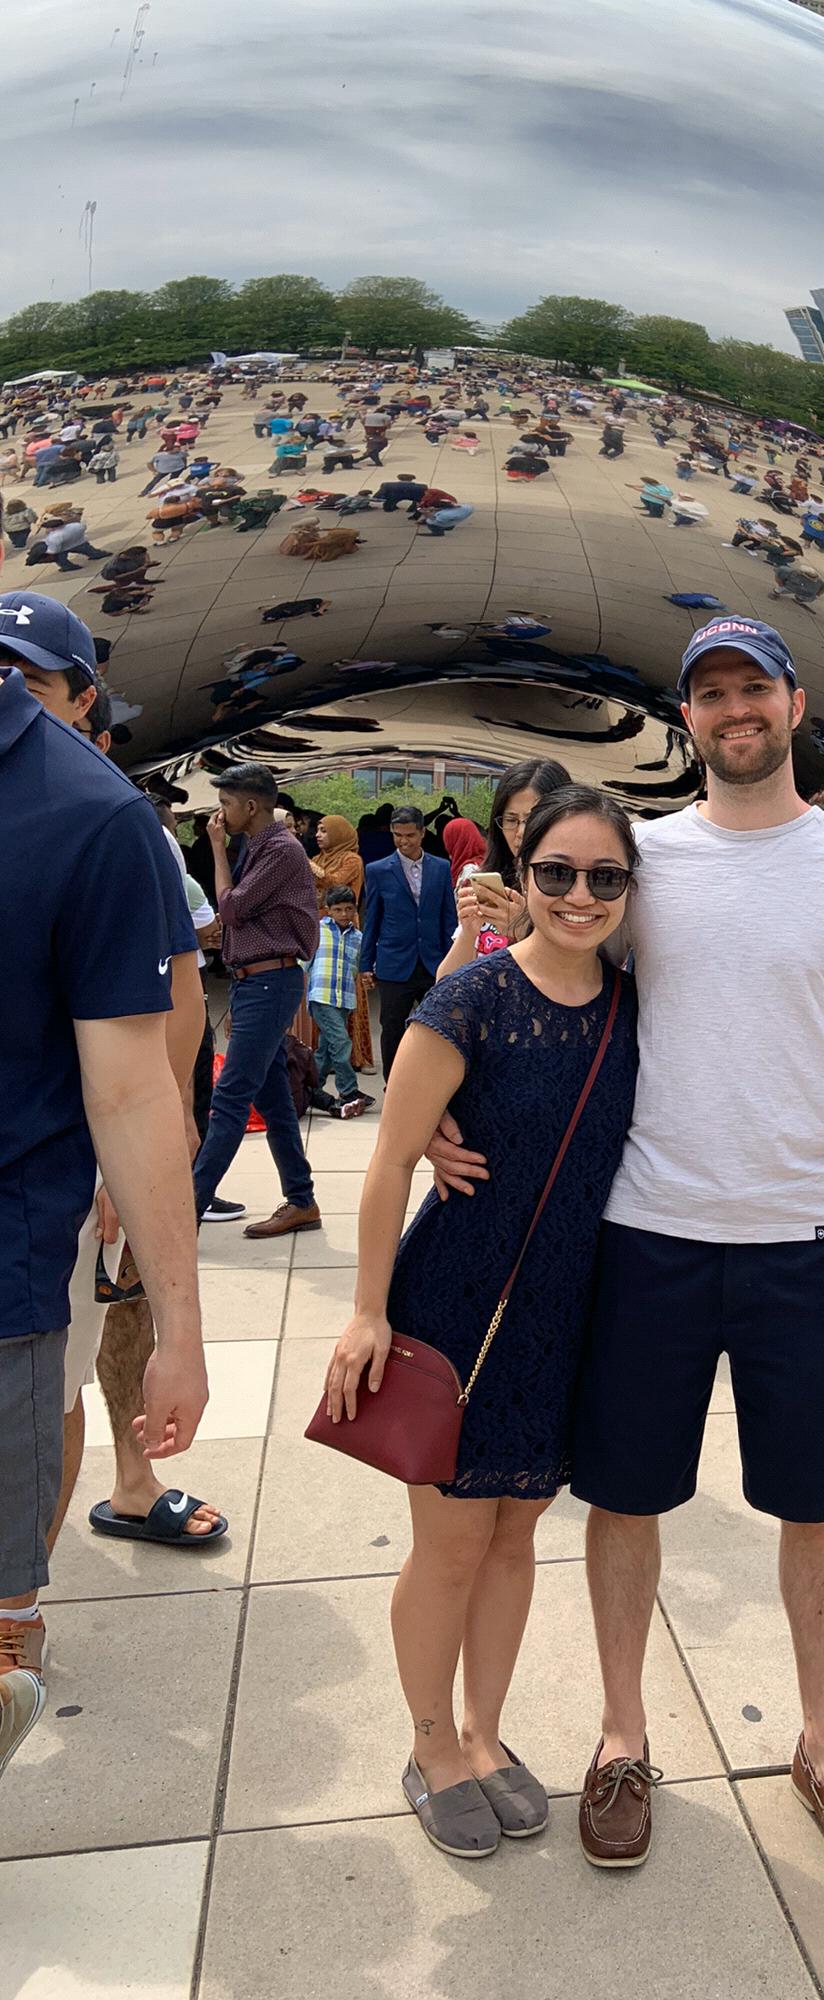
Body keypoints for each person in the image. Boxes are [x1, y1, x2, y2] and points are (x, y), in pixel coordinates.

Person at [428, 615, 824, 1887]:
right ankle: (623, 1736)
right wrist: (436, 1091)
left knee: (819, 1506)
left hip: (807, 1243)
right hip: (644, 1232)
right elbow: (532, 974)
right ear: (688, 718)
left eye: (753, 686)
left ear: (795, 703)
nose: (734, 709)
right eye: (710, 693)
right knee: (625, 1496)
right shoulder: (641, 863)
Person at [323, 789, 640, 1858]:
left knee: (515, 1535)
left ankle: (484, 1731)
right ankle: (429, 1747)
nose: (580, 895)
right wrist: (367, 1310)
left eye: (605, 876)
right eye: (557, 872)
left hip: (565, 1307)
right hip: (460, 1301)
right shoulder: (471, 1001)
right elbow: (388, 1164)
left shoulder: (631, 1006)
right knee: (452, 1541)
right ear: (524, 869)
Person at [0, 618, 208, 1787]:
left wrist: (179, 1320)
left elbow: (142, 1066)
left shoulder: (95, 817)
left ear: (84, 695)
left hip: (22, 1255)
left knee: (68, 1386)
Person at [192, 762, 322, 1238]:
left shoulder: (280, 850)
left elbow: (230, 908)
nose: (220, 814)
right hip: (257, 985)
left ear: (251, 806)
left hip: (269, 984)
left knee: (229, 1099)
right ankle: (302, 1200)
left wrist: (215, 850)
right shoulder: (261, 846)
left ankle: (186, 1214)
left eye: (226, 804)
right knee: (273, 1100)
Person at [440, 758, 572, 972]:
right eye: (511, 820)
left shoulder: (579, 895)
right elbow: (445, 982)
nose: (520, 832)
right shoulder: (493, 883)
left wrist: (524, 932)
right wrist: (468, 932)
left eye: (532, 819)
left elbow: (579, 979)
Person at [361, 806, 459, 1076]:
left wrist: (453, 961)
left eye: (410, 835)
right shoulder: (378, 870)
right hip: (394, 963)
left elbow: (448, 919)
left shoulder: (441, 868)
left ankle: (433, 1083)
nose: (403, 841)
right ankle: (393, 1084)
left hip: (433, 962)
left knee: (438, 1027)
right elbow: (372, 919)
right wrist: (366, 963)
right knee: (392, 1027)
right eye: (398, 835)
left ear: (422, 833)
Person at [306, 887, 370, 1118]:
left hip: (344, 999)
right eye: (338, 909)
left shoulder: (358, 938)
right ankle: (349, 1091)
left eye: (348, 909)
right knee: (341, 1043)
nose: (344, 914)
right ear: (329, 910)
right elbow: (304, 962)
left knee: (326, 1049)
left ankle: (310, 1089)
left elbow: (360, 967)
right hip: (321, 997)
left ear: (355, 910)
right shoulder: (318, 931)